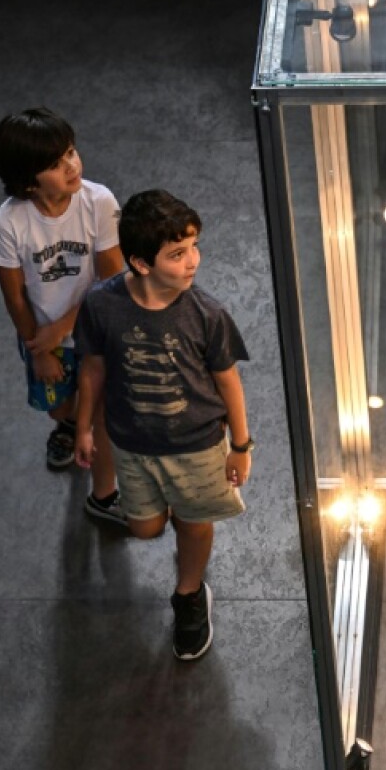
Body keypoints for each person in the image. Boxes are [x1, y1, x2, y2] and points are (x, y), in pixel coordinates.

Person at [73, 189, 253, 661]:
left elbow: (228, 381)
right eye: (177, 253)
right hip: (132, 445)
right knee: (147, 528)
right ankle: (179, 512)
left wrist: (241, 444)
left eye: (194, 246)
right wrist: (84, 427)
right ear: (140, 263)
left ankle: (190, 596)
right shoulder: (101, 306)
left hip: (197, 445)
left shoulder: (207, 314)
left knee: (193, 524)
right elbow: (92, 367)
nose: (193, 260)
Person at [0, 107, 126, 525]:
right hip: (43, 342)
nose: (71, 165)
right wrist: (39, 349)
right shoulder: (9, 221)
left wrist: (63, 327)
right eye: (55, 163)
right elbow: (15, 298)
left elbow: (112, 280)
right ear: (28, 179)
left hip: (93, 333)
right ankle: (68, 426)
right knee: (60, 407)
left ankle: (103, 496)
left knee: (101, 416)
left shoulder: (98, 201)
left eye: (71, 152)